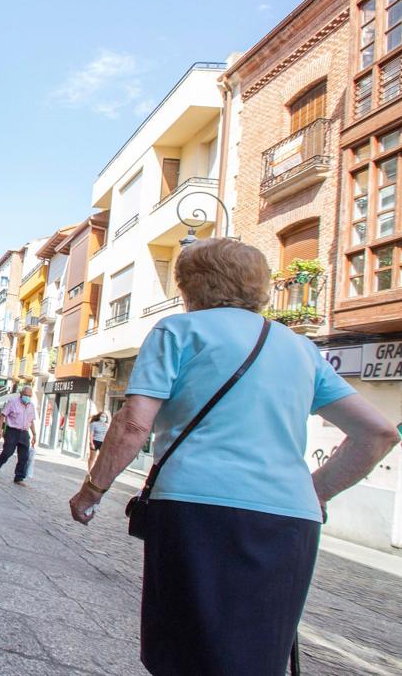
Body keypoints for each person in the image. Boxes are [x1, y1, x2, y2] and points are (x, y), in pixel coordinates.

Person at [68, 239, 399, 675]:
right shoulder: (301, 349)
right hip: (289, 520)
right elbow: (377, 433)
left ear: (189, 287)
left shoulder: (179, 332)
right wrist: (313, 489)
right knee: (256, 660)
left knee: (186, 654)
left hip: (195, 509)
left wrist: (92, 490)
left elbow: (134, 423)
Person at [0, 386, 37, 485]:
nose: (28, 397)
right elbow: (2, 415)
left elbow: (31, 421)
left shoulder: (31, 406)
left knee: (24, 456)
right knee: (7, 452)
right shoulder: (12, 402)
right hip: (12, 431)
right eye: (26, 395)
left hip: (24, 432)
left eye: (30, 396)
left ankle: (19, 478)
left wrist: (34, 434)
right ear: (21, 394)